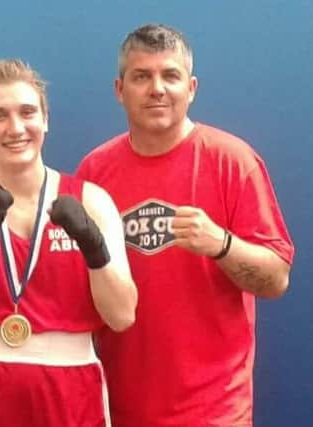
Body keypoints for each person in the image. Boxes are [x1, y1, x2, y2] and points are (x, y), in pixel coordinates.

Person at [76, 24, 295, 426]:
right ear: (119, 89)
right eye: (141, 76)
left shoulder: (234, 161)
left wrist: (223, 245)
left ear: (191, 87)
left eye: (170, 75)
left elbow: (276, 279)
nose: (157, 88)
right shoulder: (94, 172)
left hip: (215, 412)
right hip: (119, 407)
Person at [0, 59, 137, 427]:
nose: (15, 128)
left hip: (71, 384)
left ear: (45, 120)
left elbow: (122, 315)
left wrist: (94, 247)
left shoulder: (92, 201)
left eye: (27, 112)